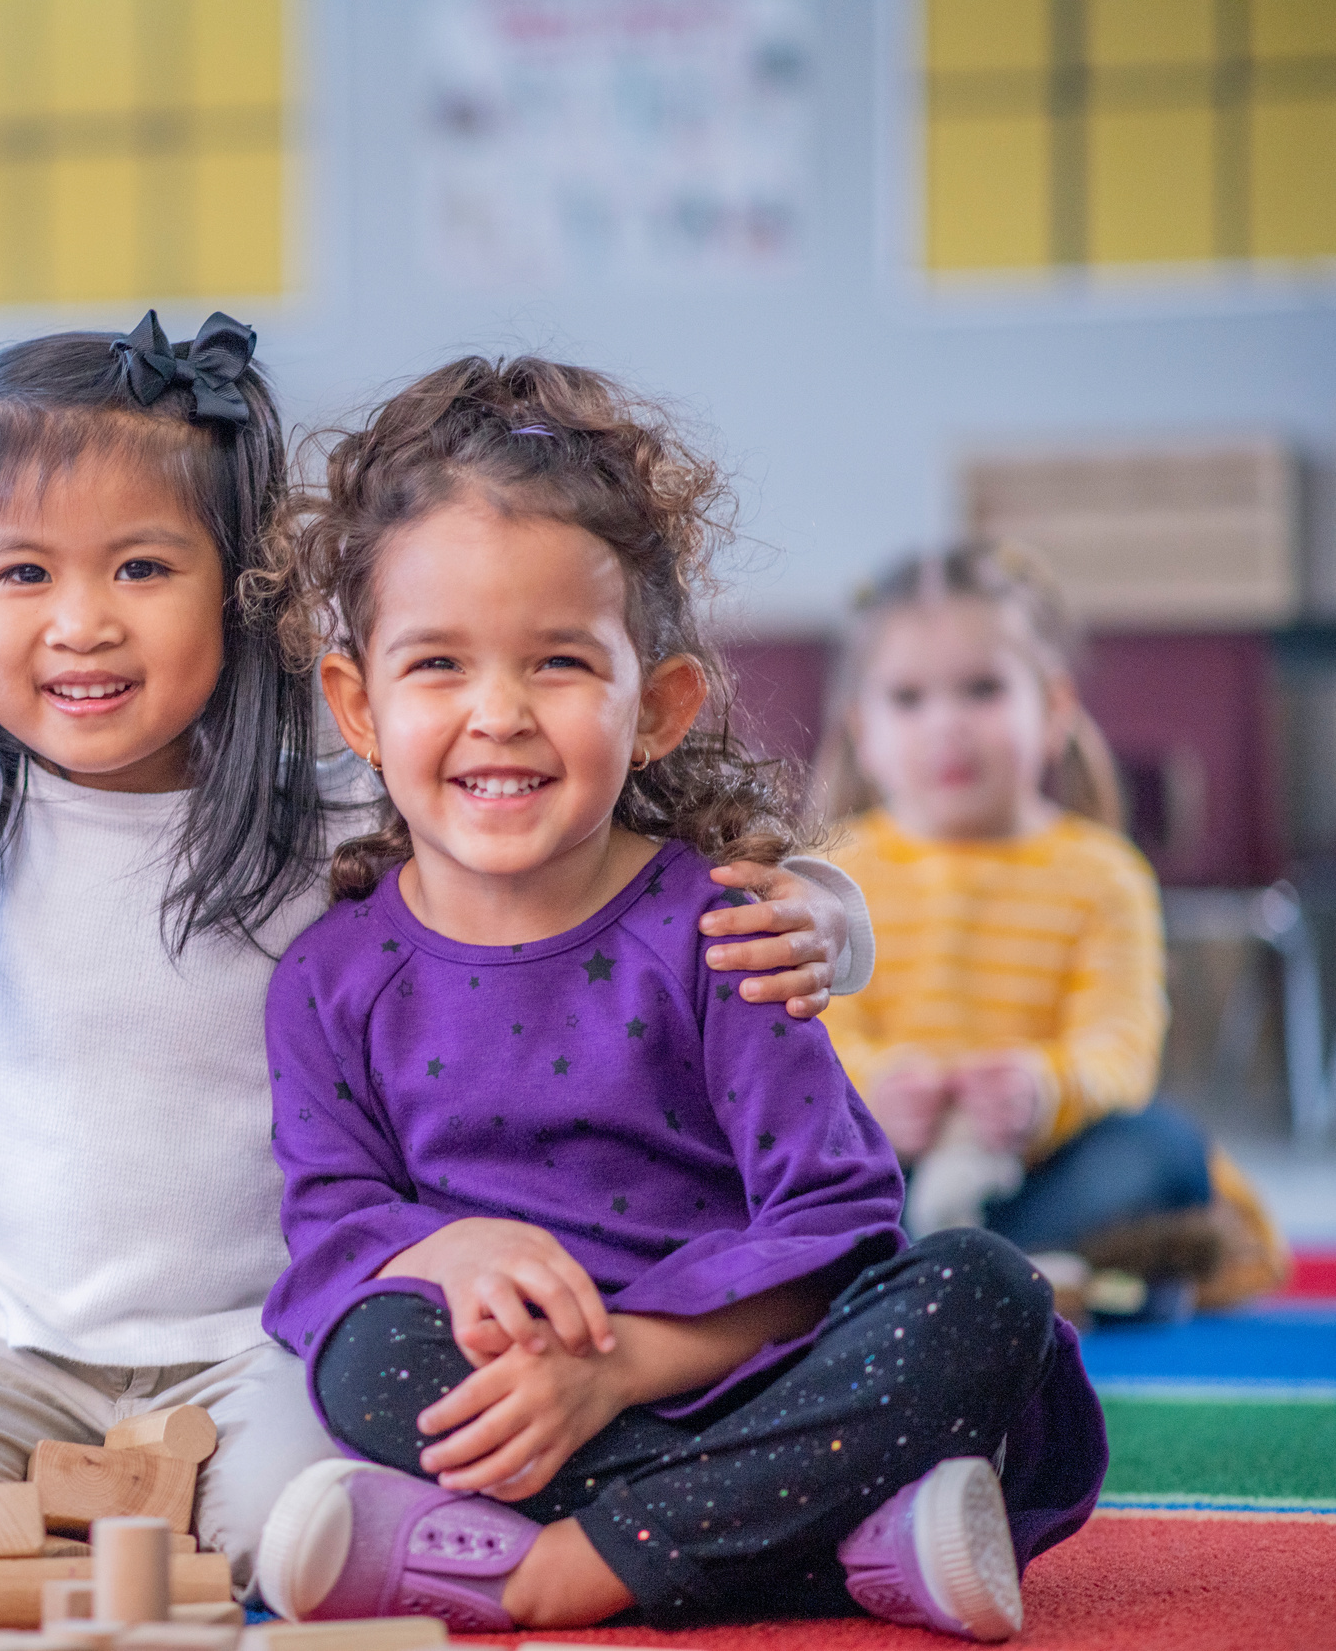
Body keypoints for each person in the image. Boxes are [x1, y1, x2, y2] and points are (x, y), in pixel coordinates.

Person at [0, 314, 875, 1608]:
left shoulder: (338, 798)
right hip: (2, 1346)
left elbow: (610, 842)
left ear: (243, 596)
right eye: (21, 577)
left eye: (138, 569)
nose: (81, 626)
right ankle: (93, 1505)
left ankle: (239, 1523)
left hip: (271, 1338)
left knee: (302, 1544)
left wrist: (821, 911)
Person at [246, 357, 1104, 1641]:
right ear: (356, 705)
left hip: (758, 1371)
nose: (496, 714)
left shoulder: (726, 933)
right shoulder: (326, 977)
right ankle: (843, 1542)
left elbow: (839, 1220)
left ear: (656, 706)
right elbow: (330, 1228)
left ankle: (559, 1568)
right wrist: (441, 1247)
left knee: (987, 1293)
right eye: (436, 664)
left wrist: (626, 1363)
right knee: (369, 1360)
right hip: (533, 1398)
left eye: (555, 662)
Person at [813, 541, 1286, 1316]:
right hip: (885, 1170)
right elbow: (809, 1041)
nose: (947, 726)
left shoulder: (1103, 874)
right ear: (861, 728)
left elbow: (1119, 1050)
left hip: (1042, 1170)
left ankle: (947, 1279)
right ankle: (1042, 1281)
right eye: (908, 699)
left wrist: (1042, 1090)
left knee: (1162, 1150)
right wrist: (870, 1094)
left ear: (1054, 709)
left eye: (982, 690)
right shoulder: (831, 870)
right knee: (784, 1176)